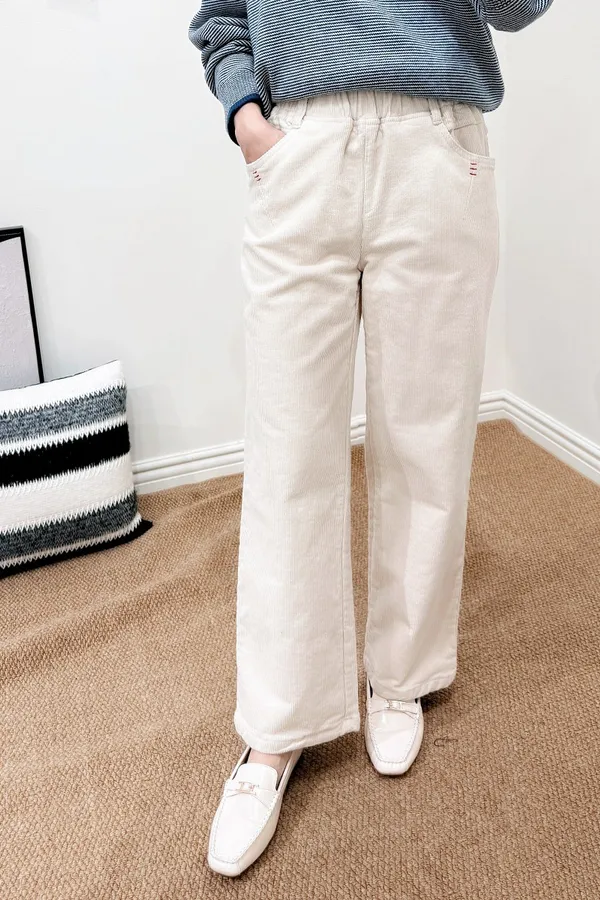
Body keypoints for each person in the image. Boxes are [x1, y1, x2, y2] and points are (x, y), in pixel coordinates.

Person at [189, 0, 554, 877]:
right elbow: (222, 18)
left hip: (436, 147)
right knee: (286, 450)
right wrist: (247, 121)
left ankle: (403, 675)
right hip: (300, 147)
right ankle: (276, 728)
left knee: (428, 439)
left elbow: (522, 8)